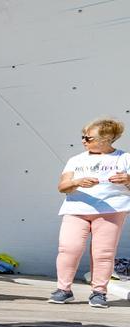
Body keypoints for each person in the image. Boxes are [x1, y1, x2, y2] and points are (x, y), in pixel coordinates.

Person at [50, 118, 130, 308]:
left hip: (111, 209)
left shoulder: (125, 158)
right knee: (69, 248)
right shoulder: (76, 159)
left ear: (107, 139)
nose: (84, 141)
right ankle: (64, 289)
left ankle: (99, 292)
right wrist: (77, 182)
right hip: (77, 209)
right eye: (83, 137)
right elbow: (62, 186)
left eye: (89, 138)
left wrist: (127, 179)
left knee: (103, 253)